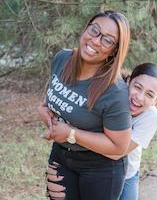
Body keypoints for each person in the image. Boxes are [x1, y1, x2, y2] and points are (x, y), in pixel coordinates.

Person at [38, 10, 132, 200]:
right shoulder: (62, 58)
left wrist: (71, 134)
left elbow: (119, 146)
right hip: (61, 155)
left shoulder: (115, 92)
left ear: (114, 50)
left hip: (100, 167)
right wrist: (43, 108)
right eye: (94, 30)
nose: (96, 41)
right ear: (85, 29)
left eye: (107, 40)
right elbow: (53, 94)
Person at [111, 63, 157, 200]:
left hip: (128, 173)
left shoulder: (151, 116)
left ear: (156, 100)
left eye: (149, 94)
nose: (140, 97)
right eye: (137, 87)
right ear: (128, 82)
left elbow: (118, 152)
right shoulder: (112, 96)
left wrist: (73, 135)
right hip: (96, 169)